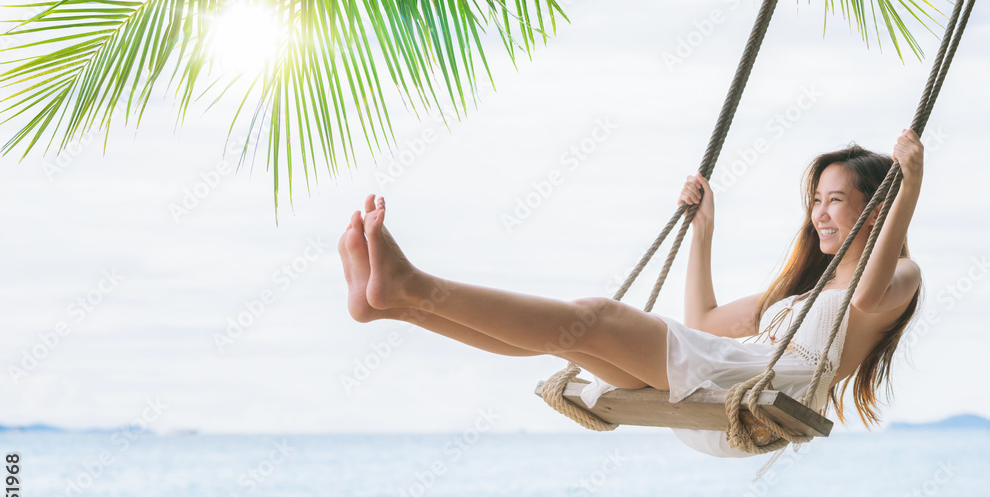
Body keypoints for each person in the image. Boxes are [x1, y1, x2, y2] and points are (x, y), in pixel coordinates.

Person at [338, 130, 924, 457]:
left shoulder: (900, 277)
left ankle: (411, 285)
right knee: (562, 339)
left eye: (835, 200)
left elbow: (869, 296)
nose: (819, 214)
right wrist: (703, 234)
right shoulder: (800, 296)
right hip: (733, 376)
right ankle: (398, 306)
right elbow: (707, 319)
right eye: (815, 200)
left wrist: (910, 185)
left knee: (593, 317)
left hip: (761, 391)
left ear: (875, 209)